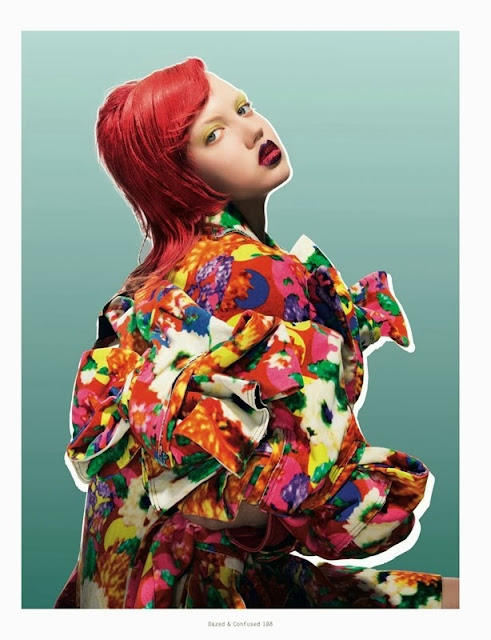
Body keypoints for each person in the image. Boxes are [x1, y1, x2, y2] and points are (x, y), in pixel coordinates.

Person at [55, 57, 459, 609]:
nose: (253, 130)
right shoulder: (254, 272)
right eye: (214, 133)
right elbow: (297, 486)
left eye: (244, 108)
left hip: (117, 585)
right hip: (197, 587)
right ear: (178, 176)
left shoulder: (157, 278)